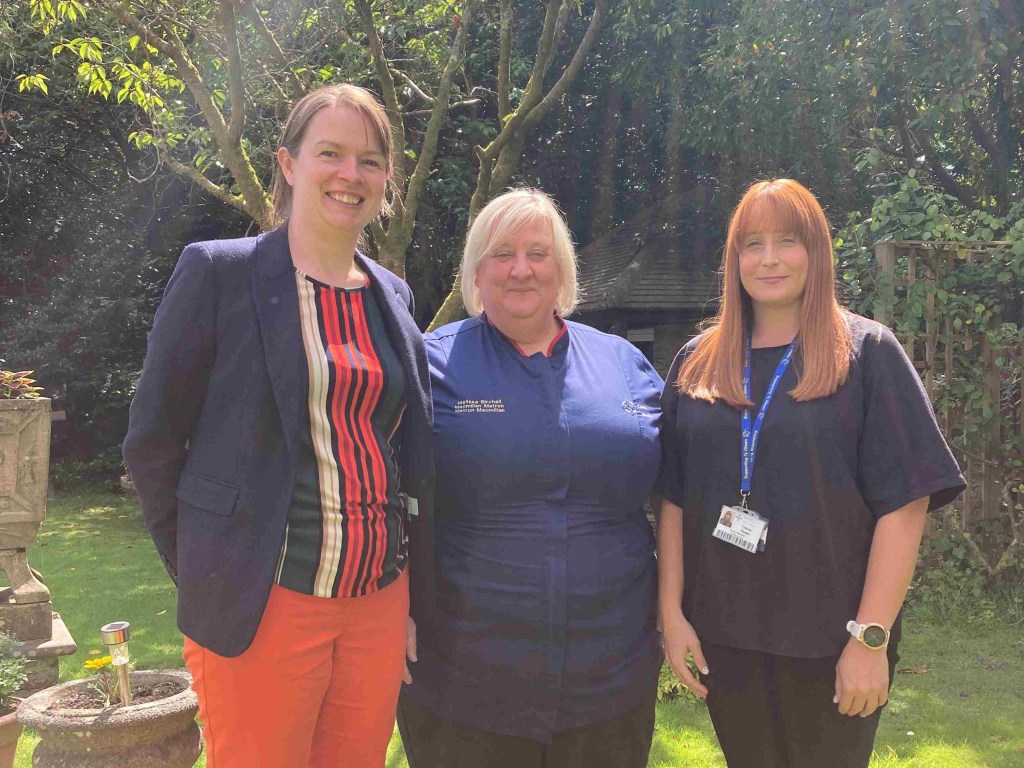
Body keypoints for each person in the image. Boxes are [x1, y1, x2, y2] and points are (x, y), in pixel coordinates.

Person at [123, 84, 435, 768]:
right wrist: (209, 568)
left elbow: (398, 447)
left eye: (371, 160)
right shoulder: (219, 274)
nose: (351, 174)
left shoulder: (394, 296)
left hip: (378, 600)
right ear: (289, 164)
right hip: (264, 599)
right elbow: (151, 442)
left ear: (387, 179)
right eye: (331, 153)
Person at [657, 178, 966, 768]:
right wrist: (671, 616)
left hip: (833, 642)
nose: (769, 258)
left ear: (817, 252)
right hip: (726, 638)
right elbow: (672, 497)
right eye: (752, 244)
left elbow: (905, 505)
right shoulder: (696, 363)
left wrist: (870, 639)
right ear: (734, 258)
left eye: (787, 241)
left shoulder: (867, 353)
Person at [398, 188, 663, 767]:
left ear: (562, 269)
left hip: (612, 674)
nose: (521, 269)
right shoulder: (428, 364)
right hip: (464, 679)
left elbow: (680, 496)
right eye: (501, 253)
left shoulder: (623, 363)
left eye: (538, 253)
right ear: (475, 270)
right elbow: (378, 496)